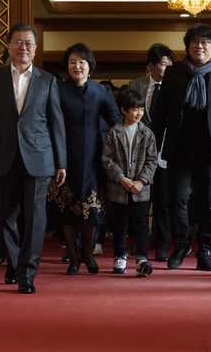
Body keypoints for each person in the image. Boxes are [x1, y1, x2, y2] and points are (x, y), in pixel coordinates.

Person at [0, 23, 67, 294]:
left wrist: (61, 162)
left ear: (35, 49)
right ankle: (14, 262)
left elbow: (56, 123)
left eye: (28, 43)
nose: (22, 47)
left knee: (35, 219)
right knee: (2, 218)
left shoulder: (48, 81)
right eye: (17, 42)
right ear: (9, 46)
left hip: (38, 158)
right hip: (1, 157)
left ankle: (27, 273)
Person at [152, 23, 211, 272]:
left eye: (204, 43)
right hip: (181, 147)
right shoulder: (175, 73)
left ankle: (205, 250)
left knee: (210, 203)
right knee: (179, 199)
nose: (199, 46)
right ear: (187, 46)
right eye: (194, 42)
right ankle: (181, 245)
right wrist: (155, 145)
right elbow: (161, 113)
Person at [49, 43, 120, 276]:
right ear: (66, 66)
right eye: (72, 62)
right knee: (66, 211)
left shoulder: (101, 92)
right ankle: (72, 256)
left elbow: (115, 122)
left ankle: (88, 253)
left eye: (82, 62)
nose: (77, 66)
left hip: (93, 159)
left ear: (90, 66)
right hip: (63, 159)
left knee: (91, 211)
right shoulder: (57, 90)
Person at [102, 89, 158, 277]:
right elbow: (107, 160)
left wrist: (141, 181)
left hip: (141, 189)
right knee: (119, 225)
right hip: (118, 188)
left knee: (141, 224)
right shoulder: (113, 132)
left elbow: (152, 160)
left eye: (141, 109)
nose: (138, 113)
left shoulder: (147, 133)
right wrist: (122, 178)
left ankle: (142, 258)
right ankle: (120, 255)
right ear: (123, 110)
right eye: (134, 109)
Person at [128, 43, 174, 261]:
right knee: (139, 200)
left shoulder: (176, 86)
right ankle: (139, 242)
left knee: (163, 201)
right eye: (164, 64)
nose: (167, 68)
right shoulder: (136, 85)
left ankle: (162, 243)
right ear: (151, 67)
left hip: (166, 151)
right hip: (140, 151)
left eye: (170, 63)